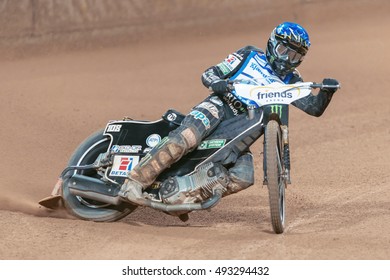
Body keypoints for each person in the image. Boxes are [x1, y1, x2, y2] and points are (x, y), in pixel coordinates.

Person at [119, 22, 339, 204]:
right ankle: (134, 182)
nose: (287, 59)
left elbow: (313, 108)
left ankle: (187, 195)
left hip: (244, 127)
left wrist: (326, 94)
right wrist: (220, 84)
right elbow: (210, 73)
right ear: (272, 44)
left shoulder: (292, 80)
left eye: (294, 56)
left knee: (244, 175)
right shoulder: (249, 55)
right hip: (219, 108)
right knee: (187, 137)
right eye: (284, 51)